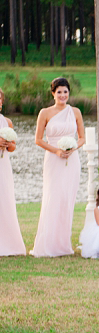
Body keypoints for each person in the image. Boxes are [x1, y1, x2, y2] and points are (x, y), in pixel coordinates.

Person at [31, 77, 84, 257]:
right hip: (53, 159)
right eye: (59, 92)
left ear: (69, 93)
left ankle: (63, 245)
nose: (63, 95)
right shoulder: (45, 113)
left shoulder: (75, 112)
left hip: (72, 159)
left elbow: (82, 137)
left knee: (66, 199)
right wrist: (57, 151)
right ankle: (47, 245)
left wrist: (72, 147)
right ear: (53, 93)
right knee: (52, 197)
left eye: (65, 92)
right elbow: (38, 140)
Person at [0, 88, 26, 257]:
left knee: (5, 200)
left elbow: (13, 147)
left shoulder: (6, 121)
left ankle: (8, 243)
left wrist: (7, 144)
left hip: (3, 165)